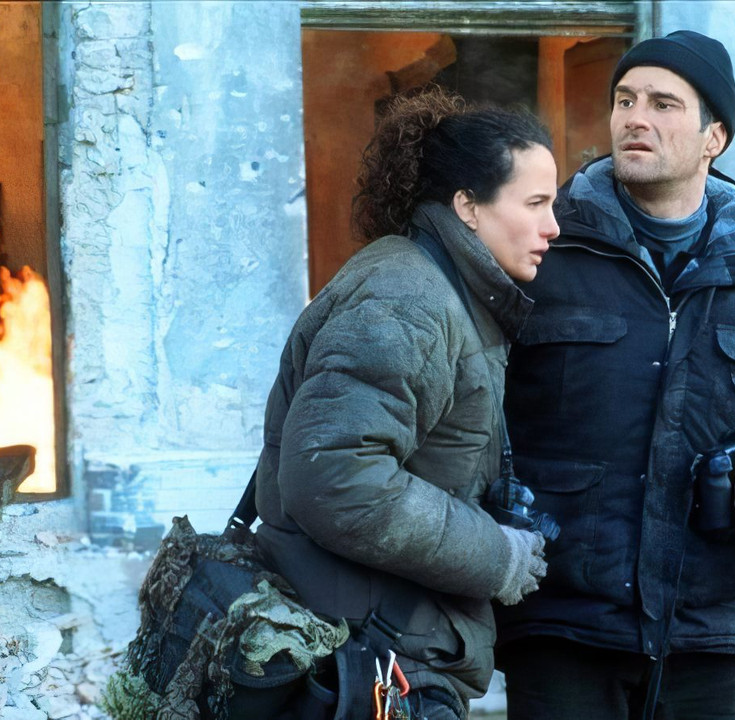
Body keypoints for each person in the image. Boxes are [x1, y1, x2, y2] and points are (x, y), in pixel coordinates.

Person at [496, 31, 735, 719]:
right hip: (563, 627)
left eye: (664, 104)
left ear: (713, 138)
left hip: (711, 632)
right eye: (625, 100)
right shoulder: (546, 249)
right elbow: (472, 412)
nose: (636, 118)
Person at [253, 87, 558, 720]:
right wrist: (495, 554)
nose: (552, 226)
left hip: (386, 645)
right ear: (467, 206)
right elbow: (333, 475)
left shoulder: (441, 286)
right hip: (370, 661)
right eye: (535, 204)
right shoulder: (409, 299)